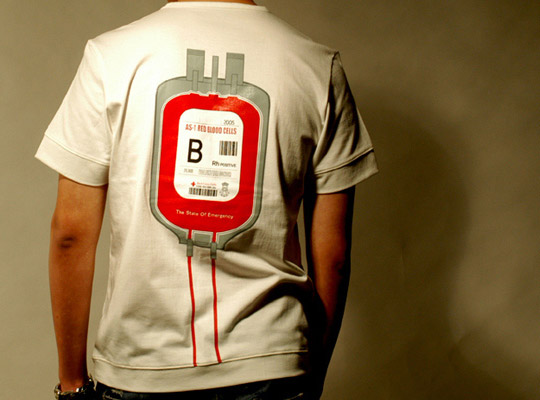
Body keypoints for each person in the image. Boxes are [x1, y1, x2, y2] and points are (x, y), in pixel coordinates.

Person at [36, 0, 378, 399]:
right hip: (271, 357)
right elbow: (334, 255)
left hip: (142, 362)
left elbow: (72, 234)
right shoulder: (316, 66)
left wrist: (73, 385)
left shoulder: (110, 57)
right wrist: (311, 373)